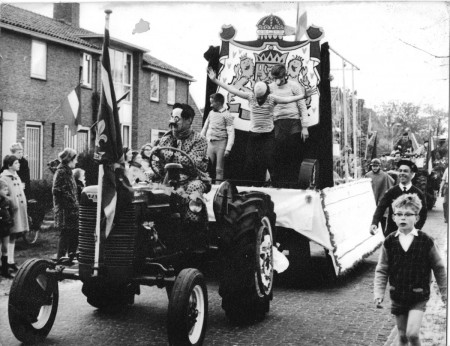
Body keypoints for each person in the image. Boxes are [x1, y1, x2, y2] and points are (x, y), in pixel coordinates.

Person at [207, 67, 316, 186]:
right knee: (251, 161)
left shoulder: (272, 98)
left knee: (272, 160)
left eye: (261, 97)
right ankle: (254, 185)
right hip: (256, 133)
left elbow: (288, 99)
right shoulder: (251, 96)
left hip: (270, 133)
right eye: (257, 97)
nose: (259, 99)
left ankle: (278, 185)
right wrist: (215, 80)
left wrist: (303, 97)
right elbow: (231, 89)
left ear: (266, 93)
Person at [373, 193, 447, 346]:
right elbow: (382, 269)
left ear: (417, 218)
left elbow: (439, 268)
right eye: (399, 214)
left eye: (408, 214)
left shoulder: (426, 241)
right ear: (393, 218)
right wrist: (379, 293)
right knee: (402, 337)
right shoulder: (389, 241)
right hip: (398, 294)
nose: (403, 218)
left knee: (412, 334)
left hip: (419, 295)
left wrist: (446, 294)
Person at [153, 103, 211, 226]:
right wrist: (155, 167)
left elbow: (192, 163)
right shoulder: (165, 139)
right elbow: (157, 162)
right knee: (147, 185)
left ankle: (192, 225)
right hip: (167, 179)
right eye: (172, 117)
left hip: (192, 178)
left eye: (177, 119)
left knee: (193, 188)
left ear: (188, 120)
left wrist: (164, 154)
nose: (173, 123)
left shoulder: (200, 140)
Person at [269, 64, 309, 188]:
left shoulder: (294, 86)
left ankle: (294, 183)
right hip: (278, 122)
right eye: (274, 78)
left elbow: (302, 106)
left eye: (279, 78)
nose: (277, 81)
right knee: (278, 154)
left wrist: (305, 127)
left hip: (294, 122)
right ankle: (278, 184)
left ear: (285, 75)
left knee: (293, 153)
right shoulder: (270, 87)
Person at [370, 159, 427, 237]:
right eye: (400, 171)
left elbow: (423, 214)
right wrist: (374, 223)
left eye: (405, 171)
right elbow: (381, 208)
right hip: (392, 234)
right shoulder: (391, 192)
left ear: (412, 174)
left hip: (410, 235)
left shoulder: (418, 193)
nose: (402, 173)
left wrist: (416, 229)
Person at [0, 155, 29, 272]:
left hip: (18, 210)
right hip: (10, 211)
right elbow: (4, 194)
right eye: (16, 163)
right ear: (9, 165)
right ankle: (3, 262)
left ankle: (10, 260)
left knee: (14, 235)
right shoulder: (3, 178)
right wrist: (12, 202)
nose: (19, 164)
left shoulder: (16, 176)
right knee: (5, 236)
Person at [201, 92, 235, 183]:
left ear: (219, 102)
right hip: (210, 143)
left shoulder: (227, 115)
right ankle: (205, 186)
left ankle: (217, 187)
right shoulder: (211, 113)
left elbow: (231, 133)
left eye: (212, 102)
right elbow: (205, 127)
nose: (211, 105)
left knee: (219, 169)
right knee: (207, 167)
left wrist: (228, 148)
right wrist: (200, 140)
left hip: (221, 144)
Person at [52, 148, 79, 259]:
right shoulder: (62, 172)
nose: (76, 162)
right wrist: (70, 201)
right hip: (66, 210)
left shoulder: (67, 171)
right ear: (70, 160)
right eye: (75, 159)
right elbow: (57, 190)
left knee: (74, 233)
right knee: (66, 234)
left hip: (71, 209)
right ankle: (61, 259)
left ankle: (70, 257)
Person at [365, 158, 395, 233]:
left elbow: (392, 182)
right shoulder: (368, 175)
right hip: (371, 198)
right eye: (373, 166)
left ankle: (383, 234)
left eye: (376, 166)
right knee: (372, 218)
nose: (374, 168)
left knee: (382, 217)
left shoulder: (384, 175)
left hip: (381, 199)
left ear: (379, 166)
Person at [0, 180, 14, 278]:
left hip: (5, 227)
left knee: (5, 248)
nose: (6, 192)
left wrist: (10, 222)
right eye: (4, 190)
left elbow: (11, 212)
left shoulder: (7, 201)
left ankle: (5, 270)